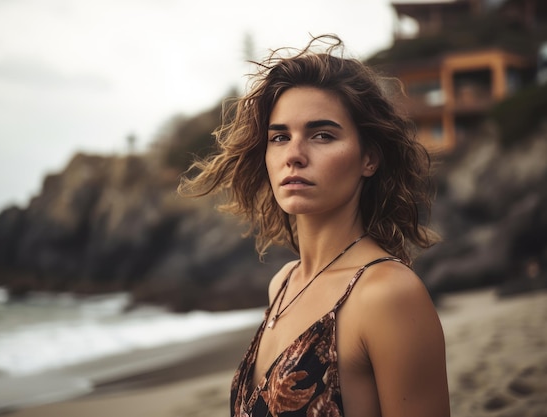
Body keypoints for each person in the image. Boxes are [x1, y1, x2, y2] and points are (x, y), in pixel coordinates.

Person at [179, 34, 449, 417]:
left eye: (322, 135)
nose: (294, 155)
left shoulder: (387, 295)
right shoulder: (283, 284)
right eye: (280, 137)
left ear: (368, 158)